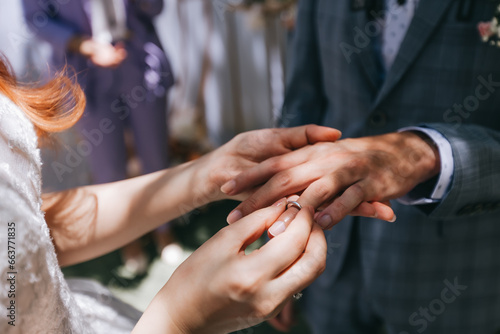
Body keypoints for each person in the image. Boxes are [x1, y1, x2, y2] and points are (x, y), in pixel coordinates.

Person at [221, 1, 500, 333]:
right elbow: (303, 102)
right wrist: (274, 244)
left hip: (454, 273)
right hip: (331, 258)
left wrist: (429, 153)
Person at [22, 0, 176, 275]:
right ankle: (126, 238)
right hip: (84, 71)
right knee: (107, 166)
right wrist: (85, 45)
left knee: (155, 154)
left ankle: (163, 229)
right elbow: (36, 18)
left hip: (138, 58)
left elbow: (155, 8)